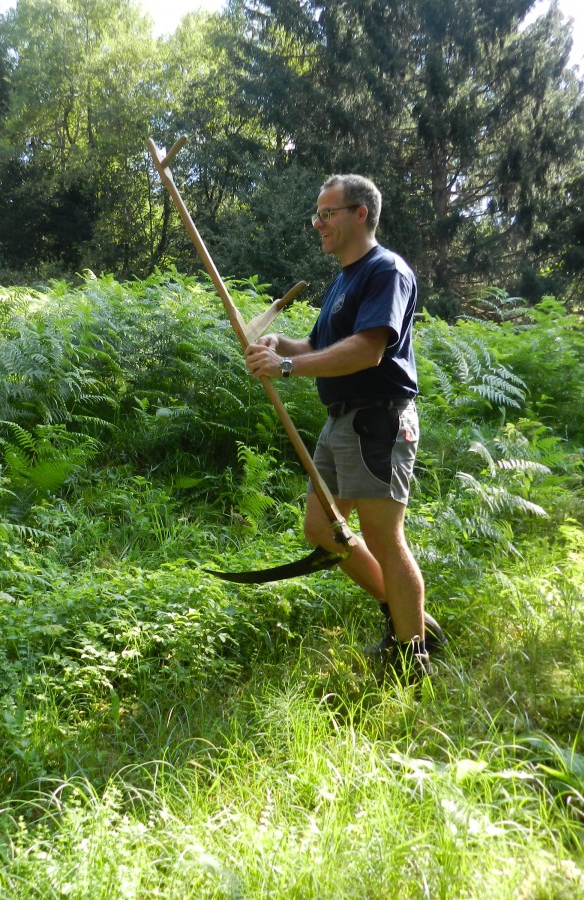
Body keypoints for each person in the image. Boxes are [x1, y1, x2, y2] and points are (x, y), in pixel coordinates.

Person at [244, 173, 442, 683]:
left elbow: (368, 349)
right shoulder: (343, 280)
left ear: (360, 213)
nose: (317, 223)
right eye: (317, 214)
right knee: (323, 529)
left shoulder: (386, 271)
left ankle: (409, 656)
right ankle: (411, 620)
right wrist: (281, 347)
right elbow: (318, 348)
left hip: (377, 418)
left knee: (384, 539)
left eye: (326, 214)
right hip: (340, 422)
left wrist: (287, 371)